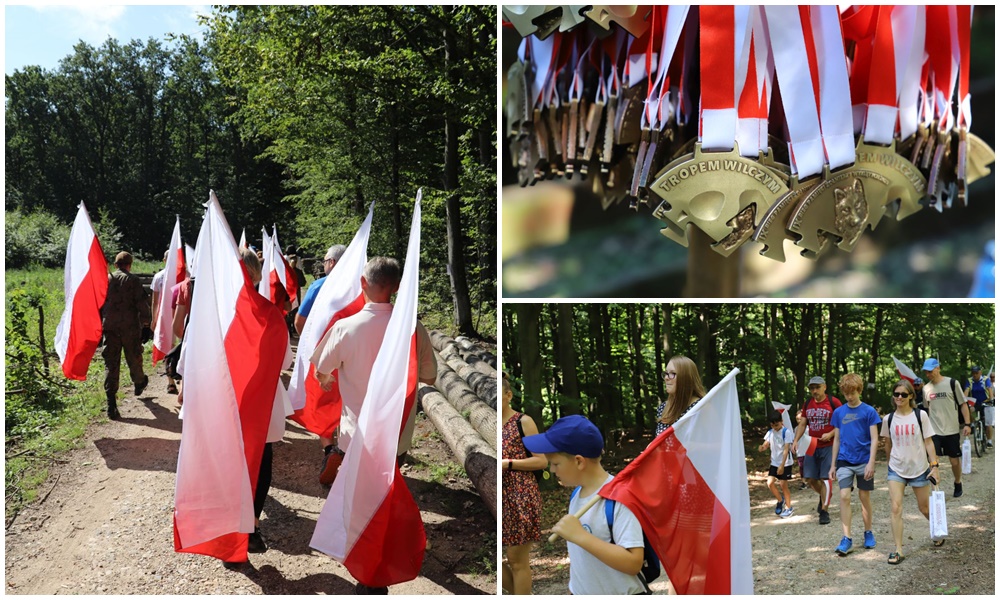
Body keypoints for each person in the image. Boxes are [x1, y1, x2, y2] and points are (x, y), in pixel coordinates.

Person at [309, 257, 436, 593]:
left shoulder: (346, 327)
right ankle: (378, 568)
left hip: (357, 437)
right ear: (394, 287)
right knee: (385, 500)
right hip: (395, 436)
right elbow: (429, 375)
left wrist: (328, 380)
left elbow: (320, 370)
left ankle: (368, 574)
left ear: (363, 285)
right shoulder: (410, 327)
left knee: (359, 505)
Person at [522, 415, 647, 595]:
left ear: (579, 461)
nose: (551, 470)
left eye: (555, 463)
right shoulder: (577, 495)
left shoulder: (618, 497)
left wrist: (581, 536)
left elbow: (633, 563)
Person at [881, 379, 940, 564]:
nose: (899, 397)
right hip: (896, 469)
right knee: (896, 507)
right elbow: (887, 444)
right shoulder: (888, 419)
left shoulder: (920, 415)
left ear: (911, 396)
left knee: (924, 508)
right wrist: (891, 462)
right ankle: (898, 550)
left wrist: (935, 466)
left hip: (919, 469)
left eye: (903, 394)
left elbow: (929, 442)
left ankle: (937, 529)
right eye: (896, 394)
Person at [501, 373, 546, 595]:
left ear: (508, 395)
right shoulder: (489, 421)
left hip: (520, 496)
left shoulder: (523, 422)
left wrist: (508, 464)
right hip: (497, 495)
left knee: (516, 560)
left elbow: (541, 460)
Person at [828, 373, 881, 556]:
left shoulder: (869, 411)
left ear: (859, 390)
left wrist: (871, 463)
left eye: (853, 392)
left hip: (864, 461)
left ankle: (868, 533)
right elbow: (836, 439)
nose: (850, 396)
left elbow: (875, 439)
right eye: (846, 393)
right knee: (844, 496)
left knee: (864, 497)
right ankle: (846, 538)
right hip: (844, 460)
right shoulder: (839, 412)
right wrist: (833, 465)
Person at [101, 251, 151, 420]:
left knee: (111, 363)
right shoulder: (134, 281)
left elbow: (100, 303)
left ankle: (111, 405)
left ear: (116, 265)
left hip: (110, 327)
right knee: (134, 357)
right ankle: (138, 382)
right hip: (129, 327)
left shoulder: (106, 280)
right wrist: (146, 325)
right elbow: (142, 304)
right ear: (130, 265)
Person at [792, 376, 842, 525]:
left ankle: (824, 511)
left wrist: (831, 433)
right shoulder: (808, 403)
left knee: (826, 478)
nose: (814, 391)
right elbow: (803, 424)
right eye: (812, 388)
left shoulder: (834, 402)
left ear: (824, 387)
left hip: (829, 445)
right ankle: (824, 496)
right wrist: (795, 440)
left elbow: (841, 422)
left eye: (817, 387)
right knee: (810, 478)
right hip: (812, 444)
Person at [921, 358, 972, 498]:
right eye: (926, 372)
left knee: (954, 461)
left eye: (930, 371)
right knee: (933, 461)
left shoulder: (952, 383)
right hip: (934, 431)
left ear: (938, 368)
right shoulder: (926, 388)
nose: (928, 374)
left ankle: (957, 481)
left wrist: (967, 424)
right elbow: (926, 410)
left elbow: (963, 404)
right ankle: (936, 490)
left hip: (952, 429)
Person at [294, 244, 347, 335]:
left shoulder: (318, 286)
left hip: (324, 343)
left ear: (331, 262)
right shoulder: (361, 284)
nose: (323, 264)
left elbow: (300, 321)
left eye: (325, 261)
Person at [150, 250, 178, 394]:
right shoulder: (179, 276)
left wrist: (154, 318)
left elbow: (154, 302)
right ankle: (171, 381)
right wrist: (154, 318)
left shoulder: (159, 276)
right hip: (173, 316)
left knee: (170, 349)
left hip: (168, 317)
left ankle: (172, 381)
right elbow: (155, 301)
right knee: (173, 349)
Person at [656, 355, 706, 435]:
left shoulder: (702, 407)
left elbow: (717, 443)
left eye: (672, 373)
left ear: (686, 378)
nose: (666, 378)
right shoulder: (663, 408)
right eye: (666, 373)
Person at [760, 411, 794, 518]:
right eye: (772, 425)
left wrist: (782, 465)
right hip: (774, 462)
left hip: (785, 463)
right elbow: (766, 443)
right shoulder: (770, 432)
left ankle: (789, 508)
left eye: (777, 425)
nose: (775, 427)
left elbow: (786, 449)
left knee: (783, 485)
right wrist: (762, 447)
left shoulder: (786, 432)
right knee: (770, 483)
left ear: (781, 422)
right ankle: (780, 500)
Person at [965, 366, 993, 447]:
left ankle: (989, 440)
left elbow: (989, 389)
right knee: (971, 409)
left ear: (980, 373)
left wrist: (991, 399)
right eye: (973, 373)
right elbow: (966, 390)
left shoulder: (985, 379)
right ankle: (974, 424)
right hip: (974, 402)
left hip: (986, 402)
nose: (975, 375)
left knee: (988, 423)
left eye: (976, 373)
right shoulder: (969, 381)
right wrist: (963, 399)